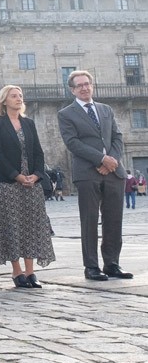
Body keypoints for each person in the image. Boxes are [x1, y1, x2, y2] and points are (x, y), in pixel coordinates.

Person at [58, 70, 133, 281]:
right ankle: (91, 266)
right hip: (87, 173)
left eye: (87, 84)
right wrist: (101, 160)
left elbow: (117, 137)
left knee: (113, 220)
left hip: (113, 172)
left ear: (92, 85)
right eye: (79, 85)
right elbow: (72, 143)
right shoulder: (66, 114)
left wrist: (112, 160)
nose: (84, 88)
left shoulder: (105, 109)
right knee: (89, 220)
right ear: (72, 90)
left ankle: (112, 263)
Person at [0, 85, 56, 288]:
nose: (18, 99)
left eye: (20, 96)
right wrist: (16, 176)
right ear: (4, 100)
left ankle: (31, 271)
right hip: (8, 183)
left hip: (31, 182)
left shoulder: (29, 123)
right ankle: (17, 272)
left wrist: (36, 175)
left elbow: (38, 152)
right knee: (12, 226)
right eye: (14, 96)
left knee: (31, 226)